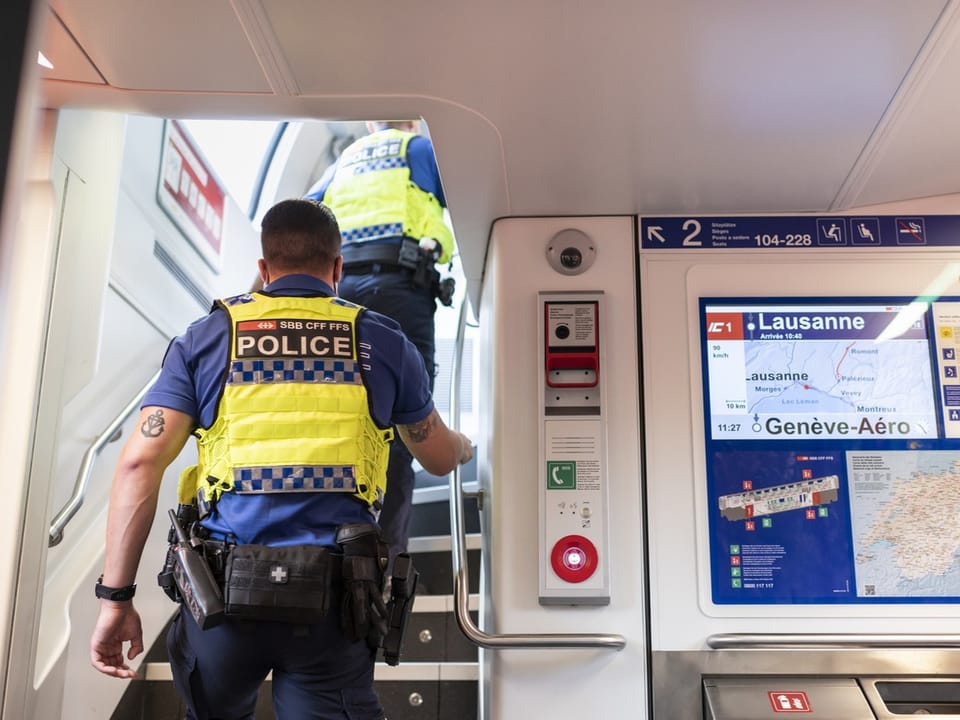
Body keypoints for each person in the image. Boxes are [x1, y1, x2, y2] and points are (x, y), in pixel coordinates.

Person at [89, 198, 473, 720]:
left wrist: (116, 598)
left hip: (221, 598)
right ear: (338, 269)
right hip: (336, 607)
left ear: (263, 269)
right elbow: (438, 457)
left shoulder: (208, 339)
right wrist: (466, 446)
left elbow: (139, 465)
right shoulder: (381, 339)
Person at [306, 119, 457, 571]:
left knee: (334, 420)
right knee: (401, 427)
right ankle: (383, 572)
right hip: (400, 290)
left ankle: (322, 555)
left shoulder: (341, 164)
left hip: (338, 297)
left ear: (370, 125)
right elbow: (479, 202)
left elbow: (296, 219)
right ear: (412, 120)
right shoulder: (421, 149)